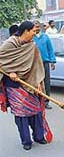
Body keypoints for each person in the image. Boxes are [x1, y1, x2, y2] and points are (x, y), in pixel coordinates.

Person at [0, 21, 52, 150]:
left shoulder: (31, 46)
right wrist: (10, 72)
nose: (35, 34)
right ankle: (26, 141)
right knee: (21, 113)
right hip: (14, 85)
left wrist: (39, 82)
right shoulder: (10, 43)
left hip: (31, 84)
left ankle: (39, 136)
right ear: (26, 31)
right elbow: (1, 61)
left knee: (36, 111)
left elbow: (37, 66)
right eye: (33, 31)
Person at [33, 20, 56, 109]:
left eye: (38, 26)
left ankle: (46, 101)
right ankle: (37, 101)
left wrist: (52, 61)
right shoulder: (31, 37)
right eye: (35, 27)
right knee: (36, 82)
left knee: (46, 82)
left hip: (45, 62)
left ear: (40, 27)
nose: (36, 28)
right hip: (34, 64)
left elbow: (50, 50)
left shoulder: (45, 37)